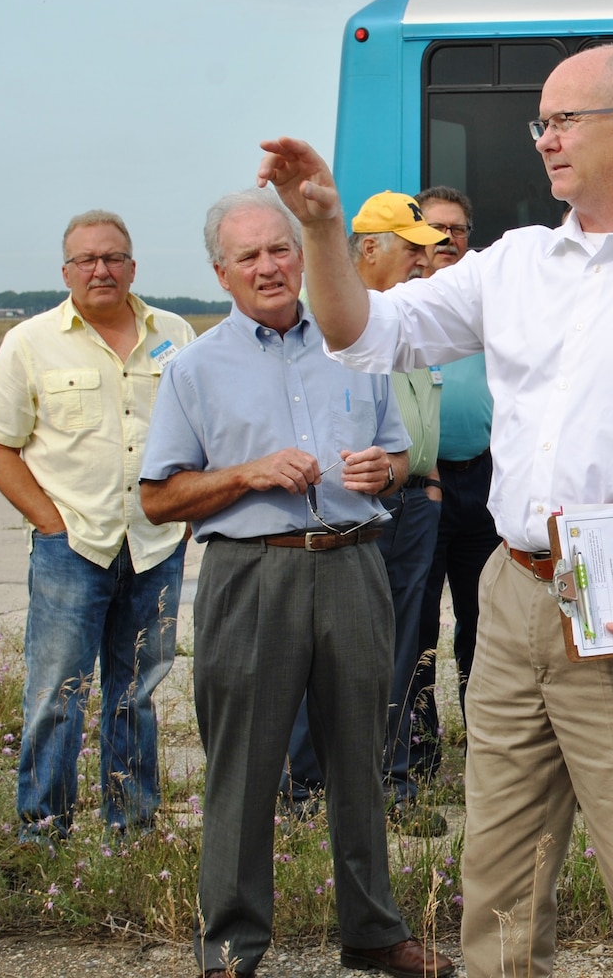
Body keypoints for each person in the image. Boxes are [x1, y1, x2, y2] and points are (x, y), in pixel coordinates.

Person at [255, 42, 613, 978]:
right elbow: (365, 334)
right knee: (500, 884)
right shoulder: (515, 263)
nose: (544, 140)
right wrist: (317, 229)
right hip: (514, 597)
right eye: (540, 124)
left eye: (563, 121)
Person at [138, 189, 451, 978]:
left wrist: (387, 473)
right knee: (242, 769)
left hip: (353, 565)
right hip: (254, 575)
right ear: (222, 272)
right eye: (249, 256)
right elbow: (159, 495)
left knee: (360, 760)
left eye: (281, 249)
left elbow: (392, 463)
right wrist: (245, 475)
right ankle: (232, 947)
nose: (270, 267)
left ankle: (375, 932)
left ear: (304, 254)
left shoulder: (356, 349)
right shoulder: (196, 369)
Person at [0, 211, 193, 849]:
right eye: (86, 260)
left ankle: (131, 830)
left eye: (113, 258)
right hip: (71, 547)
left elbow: (201, 434)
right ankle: (41, 834)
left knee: (136, 692)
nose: (100, 269)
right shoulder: (30, 342)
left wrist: (182, 516)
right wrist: (51, 526)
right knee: (56, 695)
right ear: (66, 271)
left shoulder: (177, 333)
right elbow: (2, 449)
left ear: (133, 266)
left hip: (155, 545)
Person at [281, 191, 448, 828]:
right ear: (370, 248)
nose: (423, 260)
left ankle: (391, 781)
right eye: (411, 248)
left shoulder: (412, 317)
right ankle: (304, 789)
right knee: (326, 650)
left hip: (412, 503)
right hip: (350, 512)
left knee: (403, 647)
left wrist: (425, 483)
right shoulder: (335, 323)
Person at [413, 185, 502, 758]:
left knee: (485, 623)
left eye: (459, 229)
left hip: (488, 478)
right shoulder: (403, 304)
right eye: (436, 229)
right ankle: (417, 750)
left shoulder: (492, 299)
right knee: (419, 625)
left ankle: (487, 745)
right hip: (422, 485)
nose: (448, 240)